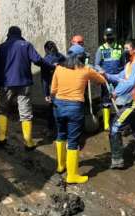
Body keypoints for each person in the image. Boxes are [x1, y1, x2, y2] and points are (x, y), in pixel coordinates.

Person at [0, 26, 54, 150]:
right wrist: (51, 66)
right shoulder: (26, 45)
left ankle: (2, 136)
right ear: (20, 34)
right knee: (25, 113)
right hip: (24, 83)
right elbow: (38, 60)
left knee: (3, 110)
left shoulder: (1, 47)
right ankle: (28, 142)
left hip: (6, 84)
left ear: (8, 35)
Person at [51, 44, 106, 184]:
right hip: (74, 109)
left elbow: (53, 90)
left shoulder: (59, 68)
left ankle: (60, 165)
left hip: (58, 107)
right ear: (82, 57)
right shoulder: (86, 70)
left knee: (61, 135)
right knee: (73, 141)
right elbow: (101, 80)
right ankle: (72, 175)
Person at [104, 39, 135, 170]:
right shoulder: (130, 64)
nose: (124, 51)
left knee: (114, 127)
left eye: (126, 48)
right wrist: (105, 75)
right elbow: (120, 77)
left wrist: (115, 93)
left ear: (134, 49)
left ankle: (118, 160)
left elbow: (130, 83)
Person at [95, 27, 123, 131]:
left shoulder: (119, 48)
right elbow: (96, 64)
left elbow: (123, 64)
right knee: (106, 100)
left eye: (111, 35)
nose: (110, 37)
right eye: (108, 36)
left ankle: (119, 121)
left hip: (117, 78)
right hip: (106, 78)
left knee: (120, 100)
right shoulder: (101, 49)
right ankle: (106, 124)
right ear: (104, 37)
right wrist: (101, 70)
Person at [41, 41, 66, 137]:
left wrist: (46, 94)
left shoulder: (45, 60)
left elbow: (45, 80)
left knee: (51, 109)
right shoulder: (62, 57)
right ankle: (63, 130)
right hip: (64, 87)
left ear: (46, 49)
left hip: (53, 88)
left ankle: (50, 129)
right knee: (63, 108)